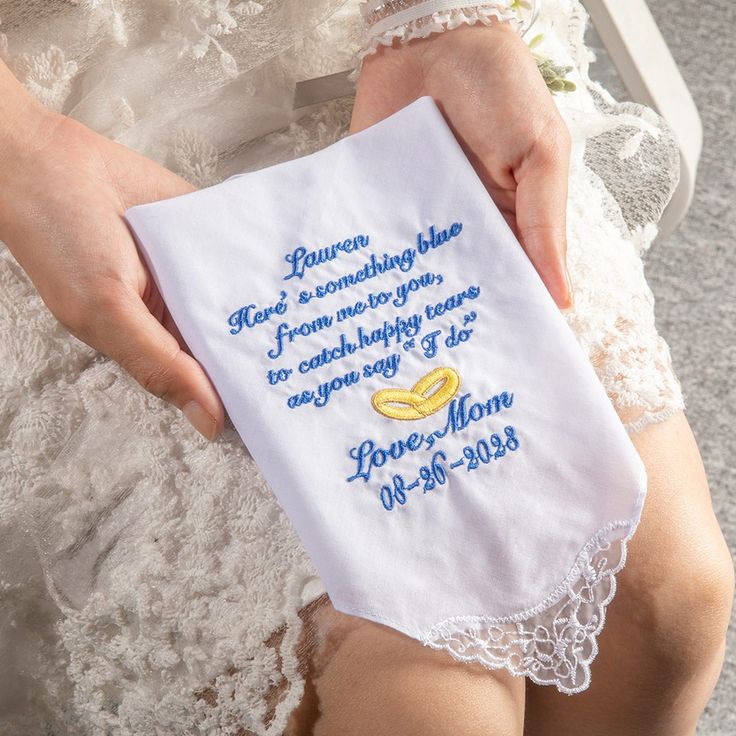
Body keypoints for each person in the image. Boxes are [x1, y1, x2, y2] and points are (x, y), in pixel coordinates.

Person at [0, 1, 732, 734]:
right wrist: (21, 151)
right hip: (57, 135)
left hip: (375, 57)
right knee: (422, 704)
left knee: (671, 606)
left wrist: (439, 20)